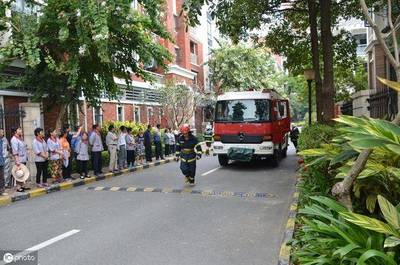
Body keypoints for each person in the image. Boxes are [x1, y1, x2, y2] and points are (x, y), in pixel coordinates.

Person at [10, 127, 30, 192]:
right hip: (19, 159)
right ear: (15, 131)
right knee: (19, 173)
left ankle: (22, 186)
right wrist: (17, 161)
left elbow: (24, 146)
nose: (21, 130)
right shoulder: (14, 139)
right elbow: (15, 151)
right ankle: (18, 187)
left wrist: (27, 149)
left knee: (23, 172)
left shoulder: (20, 138)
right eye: (19, 129)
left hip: (23, 158)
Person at [0, 129, 7, 196]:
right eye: (2, 132)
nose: (3, 133)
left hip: (1, 161)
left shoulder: (3, 140)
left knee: (2, 176)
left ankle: (2, 190)